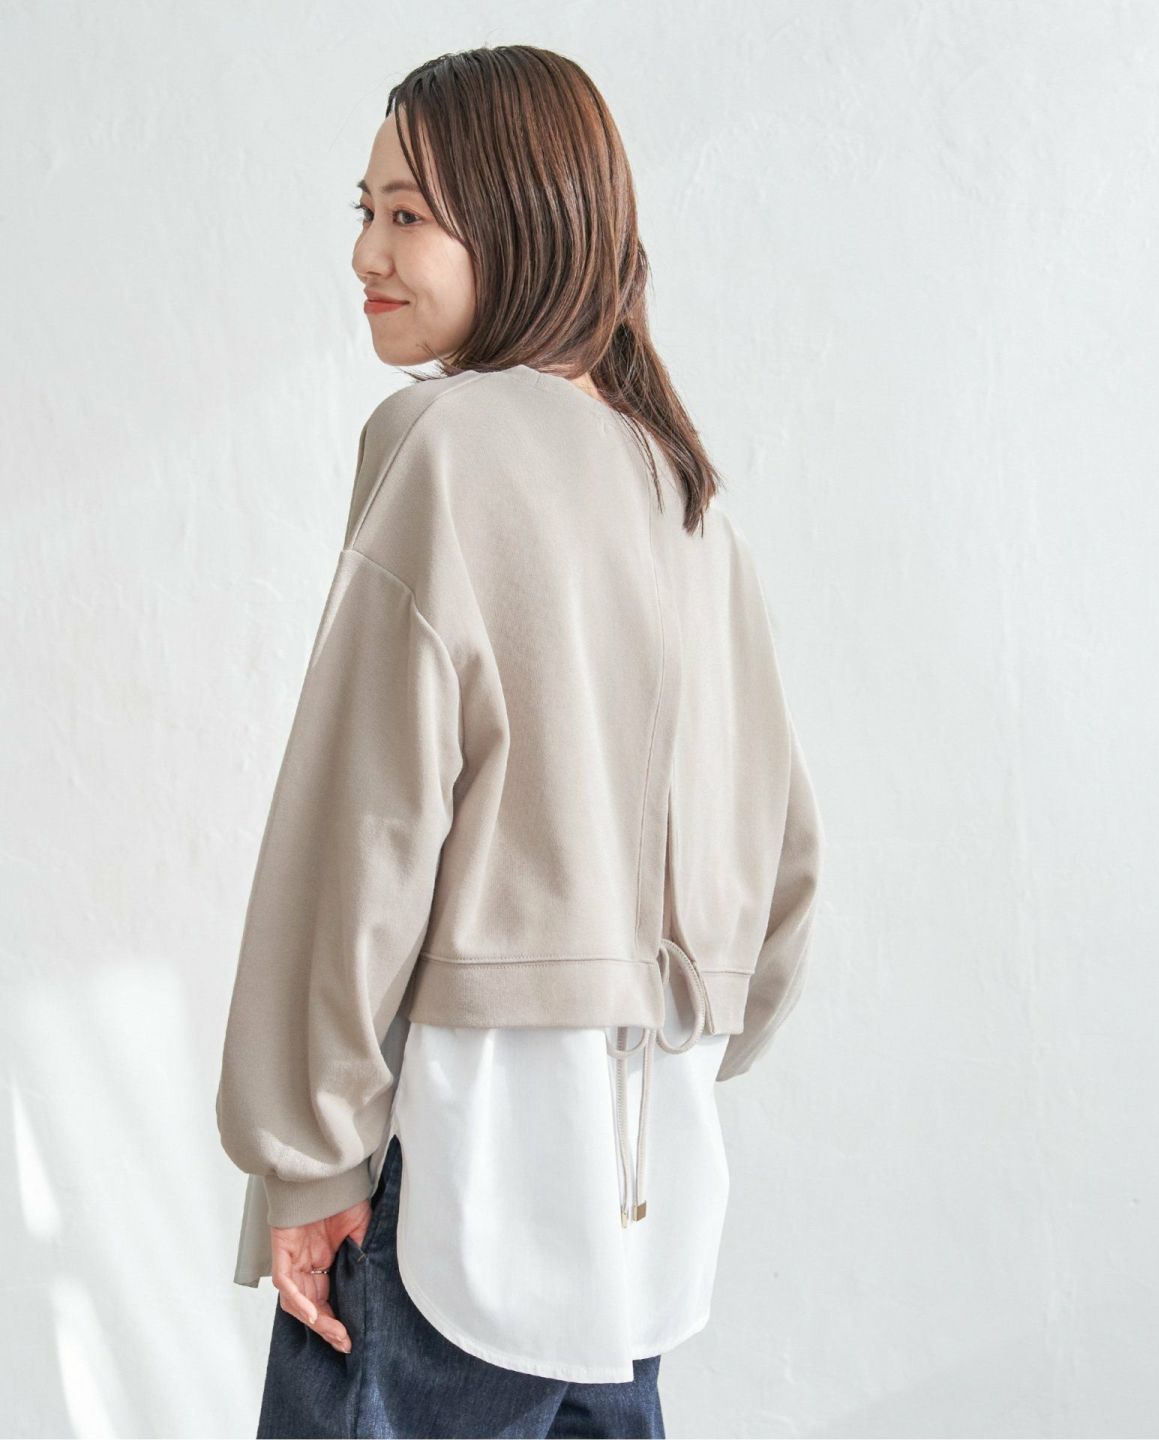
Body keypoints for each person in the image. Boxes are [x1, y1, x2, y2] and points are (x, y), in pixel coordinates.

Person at [215, 43, 824, 1440]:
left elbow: (362, 825)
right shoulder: (688, 496)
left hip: (458, 1171)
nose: (366, 251)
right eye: (364, 210)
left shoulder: (443, 444)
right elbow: (783, 860)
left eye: (408, 215)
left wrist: (308, 1156)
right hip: (643, 1213)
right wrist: (663, 1036)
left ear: (521, 217)